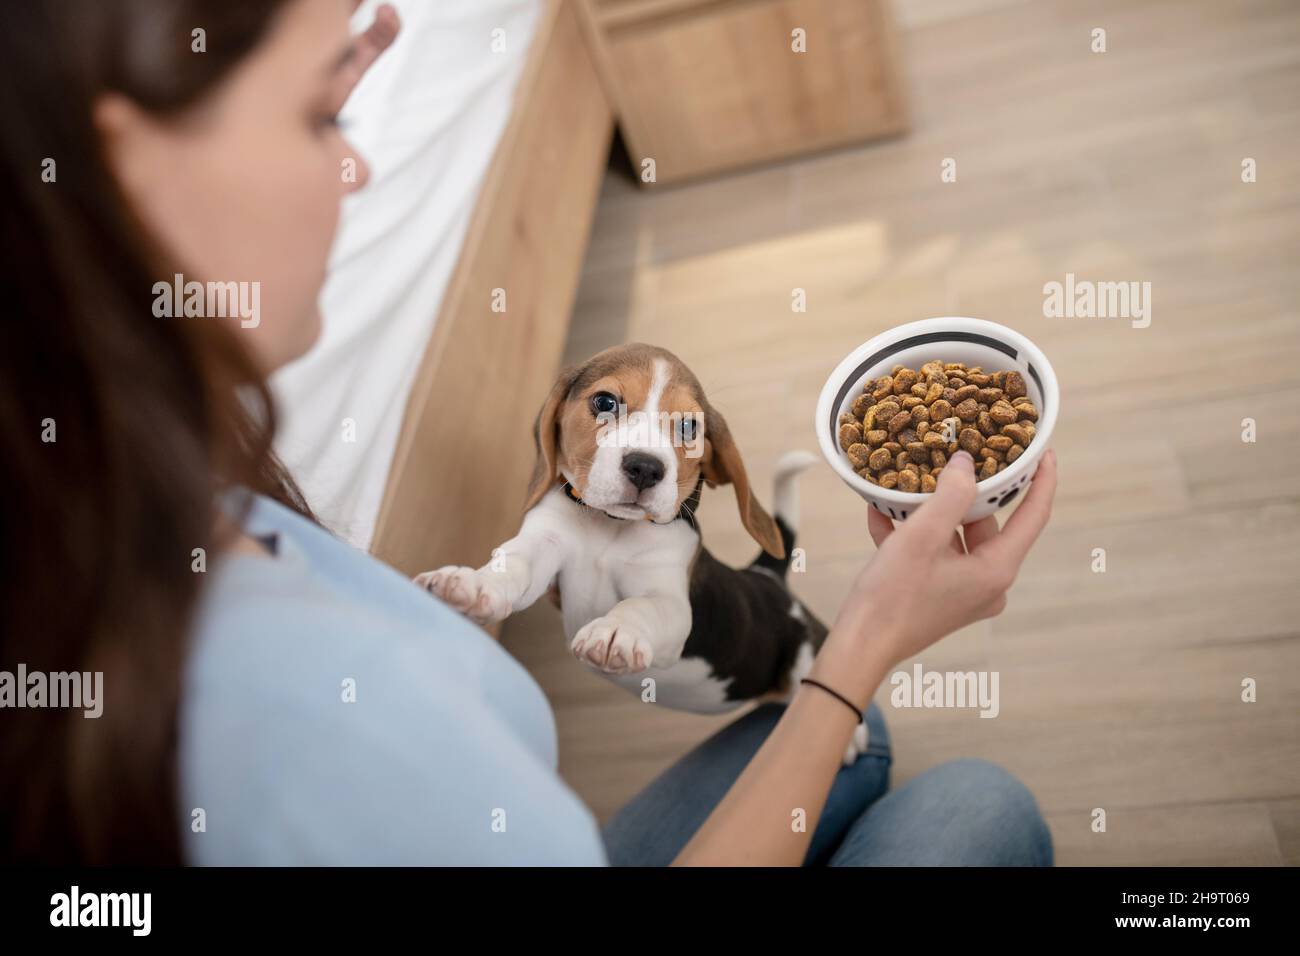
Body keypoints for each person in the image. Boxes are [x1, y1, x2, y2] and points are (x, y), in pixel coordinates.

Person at [0, 0, 1058, 865]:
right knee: (981, 804)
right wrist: (866, 645)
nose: (359, 168)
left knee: (863, 747)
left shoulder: (175, 483)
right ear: (128, 164)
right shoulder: (292, 730)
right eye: (321, 116)